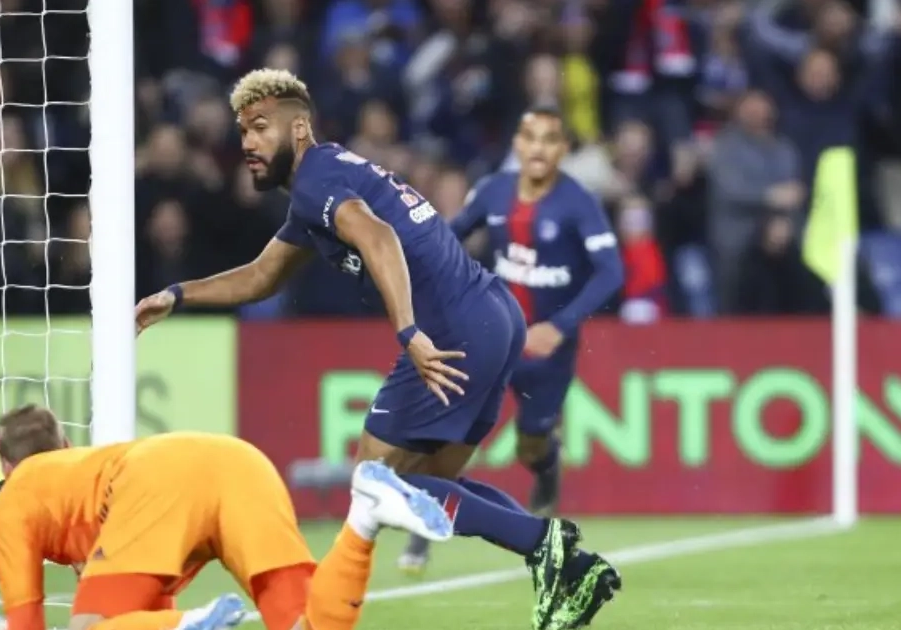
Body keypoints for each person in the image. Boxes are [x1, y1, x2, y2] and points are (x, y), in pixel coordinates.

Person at [134, 68, 621, 629]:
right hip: (493, 314)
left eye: (261, 127)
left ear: (299, 129)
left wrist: (409, 332)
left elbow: (379, 237)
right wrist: (178, 294)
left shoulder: (317, 181)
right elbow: (262, 276)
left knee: (375, 479)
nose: (248, 142)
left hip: (452, 328)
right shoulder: (323, 184)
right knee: (427, 482)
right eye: (243, 130)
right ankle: (568, 566)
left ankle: (544, 541)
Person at [0, 404, 454, 630]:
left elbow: (27, 624)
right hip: (239, 460)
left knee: (86, 629)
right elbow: (145, 609)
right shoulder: (87, 472)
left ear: (4, 467)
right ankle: (364, 520)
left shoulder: (11, 503)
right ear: (65, 444)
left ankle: (192, 625)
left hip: (160, 478)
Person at [399, 106, 624, 573]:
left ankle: (546, 468)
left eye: (549, 139)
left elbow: (610, 272)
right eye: (529, 137)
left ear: (563, 149)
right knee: (451, 439)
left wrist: (559, 326)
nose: (538, 148)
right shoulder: (493, 191)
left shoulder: (579, 203)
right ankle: (422, 531)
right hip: (491, 336)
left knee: (531, 444)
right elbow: (448, 238)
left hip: (546, 351)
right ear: (517, 145)